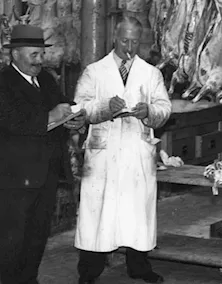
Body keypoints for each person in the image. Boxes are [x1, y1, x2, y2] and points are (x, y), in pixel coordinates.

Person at [73, 16, 172, 284]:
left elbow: (164, 109)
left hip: (135, 151)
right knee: (97, 214)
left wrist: (148, 111)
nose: (129, 46)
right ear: (114, 39)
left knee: (136, 213)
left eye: (134, 41)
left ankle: (138, 267)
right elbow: (80, 108)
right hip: (103, 153)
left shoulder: (151, 73)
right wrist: (105, 108)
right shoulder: (94, 71)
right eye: (124, 40)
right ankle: (89, 272)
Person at [0, 24, 86, 284]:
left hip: (46, 174)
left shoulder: (46, 79)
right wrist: (53, 116)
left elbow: (63, 105)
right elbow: (15, 122)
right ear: (15, 54)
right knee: (12, 239)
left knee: (37, 236)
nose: (40, 60)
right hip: (15, 177)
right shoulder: (3, 83)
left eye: (41, 54)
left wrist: (76, 118)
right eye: (33, 55)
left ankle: (29, 279)